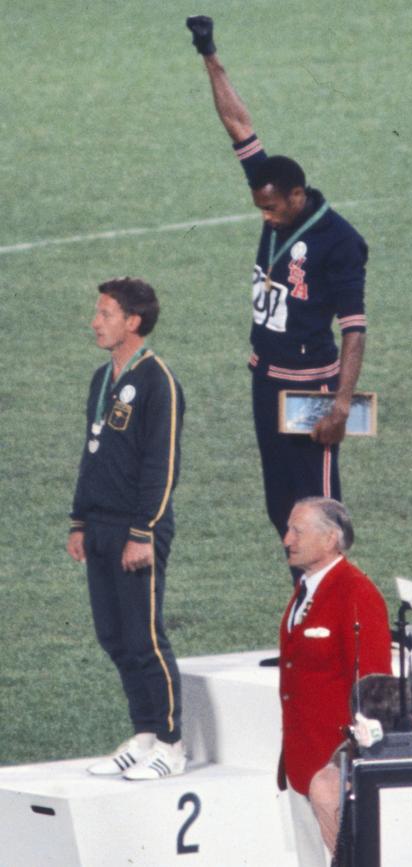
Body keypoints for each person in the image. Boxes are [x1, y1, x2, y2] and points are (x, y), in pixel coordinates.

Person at [186, 17, 368, 574]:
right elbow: (237, 121)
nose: (263, 216)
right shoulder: (274, 196)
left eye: (271, 208)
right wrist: (209, 53)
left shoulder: (340, 241)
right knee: (279, 510)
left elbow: (354, 328)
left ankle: (334, 625)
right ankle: (304, 619)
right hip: (266, 380)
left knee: (317, 514)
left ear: (297, 195)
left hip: (312, 386)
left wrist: (341, 404)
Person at [67, 277, 186, 780]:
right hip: (99, 525)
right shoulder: (103, 378)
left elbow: (163, 465)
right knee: (113, 635)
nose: (95, 321)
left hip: (138, 530)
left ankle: (172, 743)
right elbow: (91, 453)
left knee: (145, 637)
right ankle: (143, 734)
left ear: (132, 321)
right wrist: (79, 520)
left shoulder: (158, 381)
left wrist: (144, 532)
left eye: (105, 313)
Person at [279, 497, 392, 866]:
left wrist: (351, 760)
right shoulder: (306, 589)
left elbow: (374, 689)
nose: (286, 539)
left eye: (297, 530)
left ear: (330, 539)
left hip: (335, 769)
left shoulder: (356, 593)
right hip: (299, 764)